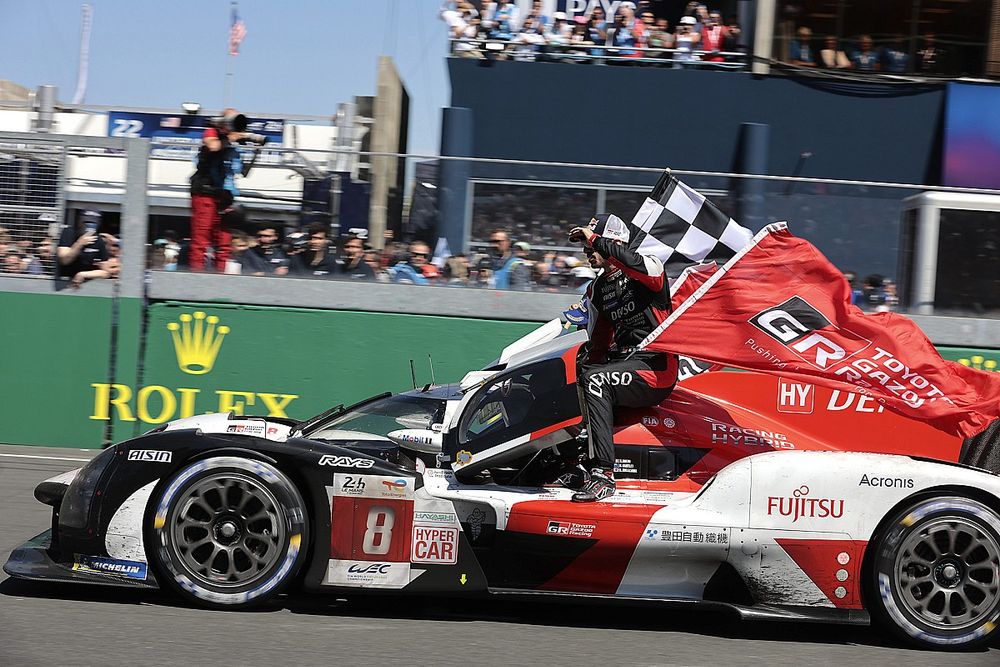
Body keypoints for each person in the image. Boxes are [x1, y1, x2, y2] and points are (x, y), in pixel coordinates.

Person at [566, 214, 678, 502]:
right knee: (580, 373)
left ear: (613, 242)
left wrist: (596, 239)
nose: (586, 252)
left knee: (595, 381)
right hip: (623, 366)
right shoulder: (597, 289)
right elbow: (600, 342)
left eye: (591, 245)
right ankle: (572, 461)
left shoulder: (650, 267)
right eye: (585, 246)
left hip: (656, 369)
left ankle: (604, 476)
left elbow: (634, 263)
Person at [188, 108, 264, 272]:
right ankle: (195, 277)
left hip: (224, 198)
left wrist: (257, 151)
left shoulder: (233, 145)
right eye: (233, 120)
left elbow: (244, 172)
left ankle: (220, 277)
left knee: (224, 241)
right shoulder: (212, 132)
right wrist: (232, 137)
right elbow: (214, 147)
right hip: (205, 193)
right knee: (201, 239)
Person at [55, 210, 117, 289]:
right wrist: (80, 243)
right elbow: (64, 260)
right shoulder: (69, 232)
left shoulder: (98, 240)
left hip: (85, 285)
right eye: (86, 221)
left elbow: (106, 272)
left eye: (93, 222)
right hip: (63, 283)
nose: (89, 225)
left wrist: (83, 274)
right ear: (79, 220)